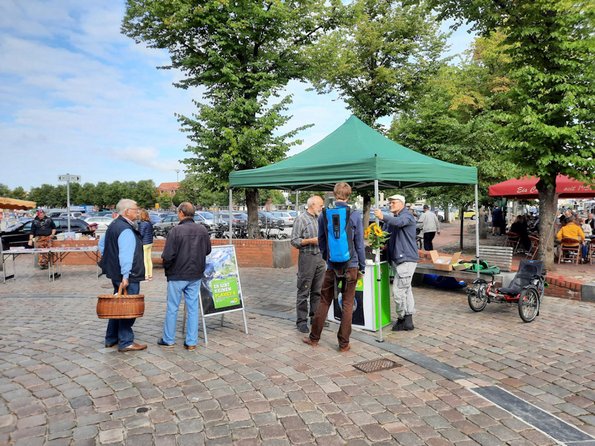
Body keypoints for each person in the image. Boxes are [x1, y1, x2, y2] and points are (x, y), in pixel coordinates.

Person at [303, 182, 366, 352]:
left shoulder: (325, 214)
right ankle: (343, 344)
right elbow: (359, 244)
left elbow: (322, 240)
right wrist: (362, 265)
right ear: (349, 195)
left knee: (324, 301)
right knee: (348, 303)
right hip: (351, 264)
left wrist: (327, 258)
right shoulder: (354, 215)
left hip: (332, 265)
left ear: (334, 193)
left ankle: (314, 338)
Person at [158, 202, 212, 351]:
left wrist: (167, 268)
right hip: (195, 274)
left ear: (181, 213)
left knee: (172, 308)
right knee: (193, 308)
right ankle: (191, 341)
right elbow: (207, 250)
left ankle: (168, 339)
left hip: (177, 274)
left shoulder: (175, 231)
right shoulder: (202, 230)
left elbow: (168, 255)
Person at [98, 199, 147, 352]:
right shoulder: (125, 229)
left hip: (115, 272)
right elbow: (126, 255)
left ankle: (111, 338)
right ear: (126, 211)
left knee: (117, 305)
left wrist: (111, 261)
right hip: (128, 275)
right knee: (128, 308)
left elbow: (101, 245)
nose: (137, 212)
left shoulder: (113, 225)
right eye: (135, 209)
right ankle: (126, 341)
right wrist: (126, 276)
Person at [374, 194, 419, 331]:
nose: (391, 204)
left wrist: (383, 216)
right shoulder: (395, 218)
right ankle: (408, 320)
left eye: (393, 202)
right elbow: (389, 234)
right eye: (390, 203)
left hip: (406, 259)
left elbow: (399, 223)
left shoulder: (407, 216)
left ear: (401, 203)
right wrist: (383, 244)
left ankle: (402, 318)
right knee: (406, 290)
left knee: (398, 292)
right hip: (399, 259)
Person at [290, 195, 326, 333]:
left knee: (318, 290)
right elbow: (294, 240)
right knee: (304, 290)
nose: (322, 208)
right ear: (312, 205)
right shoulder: (301, 219)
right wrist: (311, 240)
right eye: (320, 205)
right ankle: (301, 321)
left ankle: (315, 318)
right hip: (307, 258)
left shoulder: (320, 219)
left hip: (320, 257)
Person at [138, 209, 154, 281]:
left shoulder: (142, 223)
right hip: (150, 242)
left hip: (144, 243)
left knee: (144, 260)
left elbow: (141, 234)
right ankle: (150, 275)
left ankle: (146, 275)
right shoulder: (149, 223)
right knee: (149, 259)